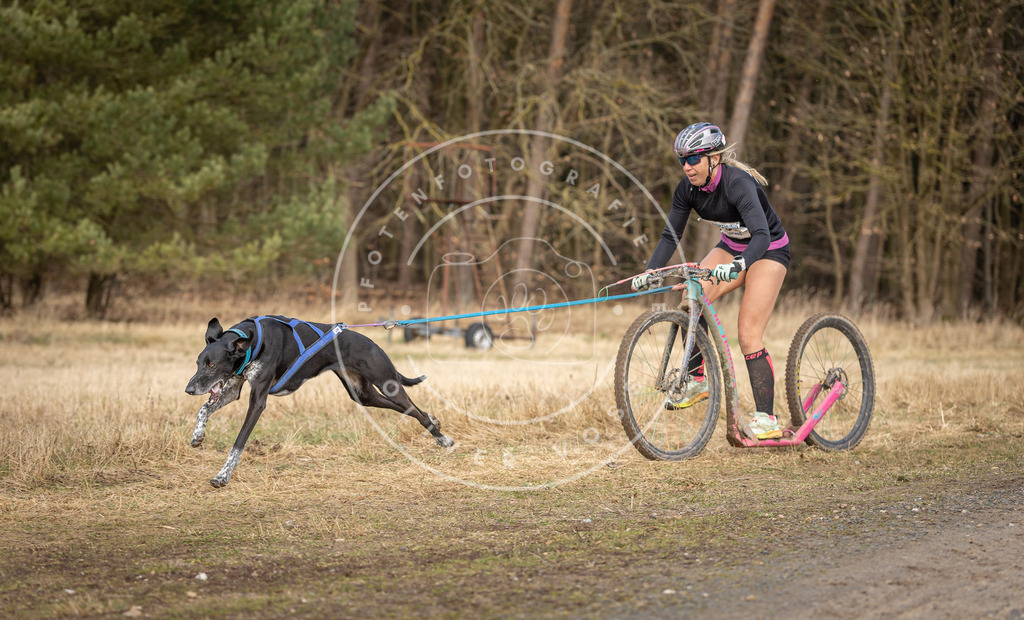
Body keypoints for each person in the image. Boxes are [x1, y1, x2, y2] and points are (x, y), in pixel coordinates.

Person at [634, 121, 790, 440]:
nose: (687, 167)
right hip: (732, 247)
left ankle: (767, 419)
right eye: (682, 160)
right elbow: (670, 234)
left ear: (713, 158)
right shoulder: (687, 189)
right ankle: (697, 380)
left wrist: (740, 265)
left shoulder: (738, 185)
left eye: (693, 159)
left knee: (747, 333)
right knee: (692, 298)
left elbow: (760, 235)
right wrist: (651, 270)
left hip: (767, 251)